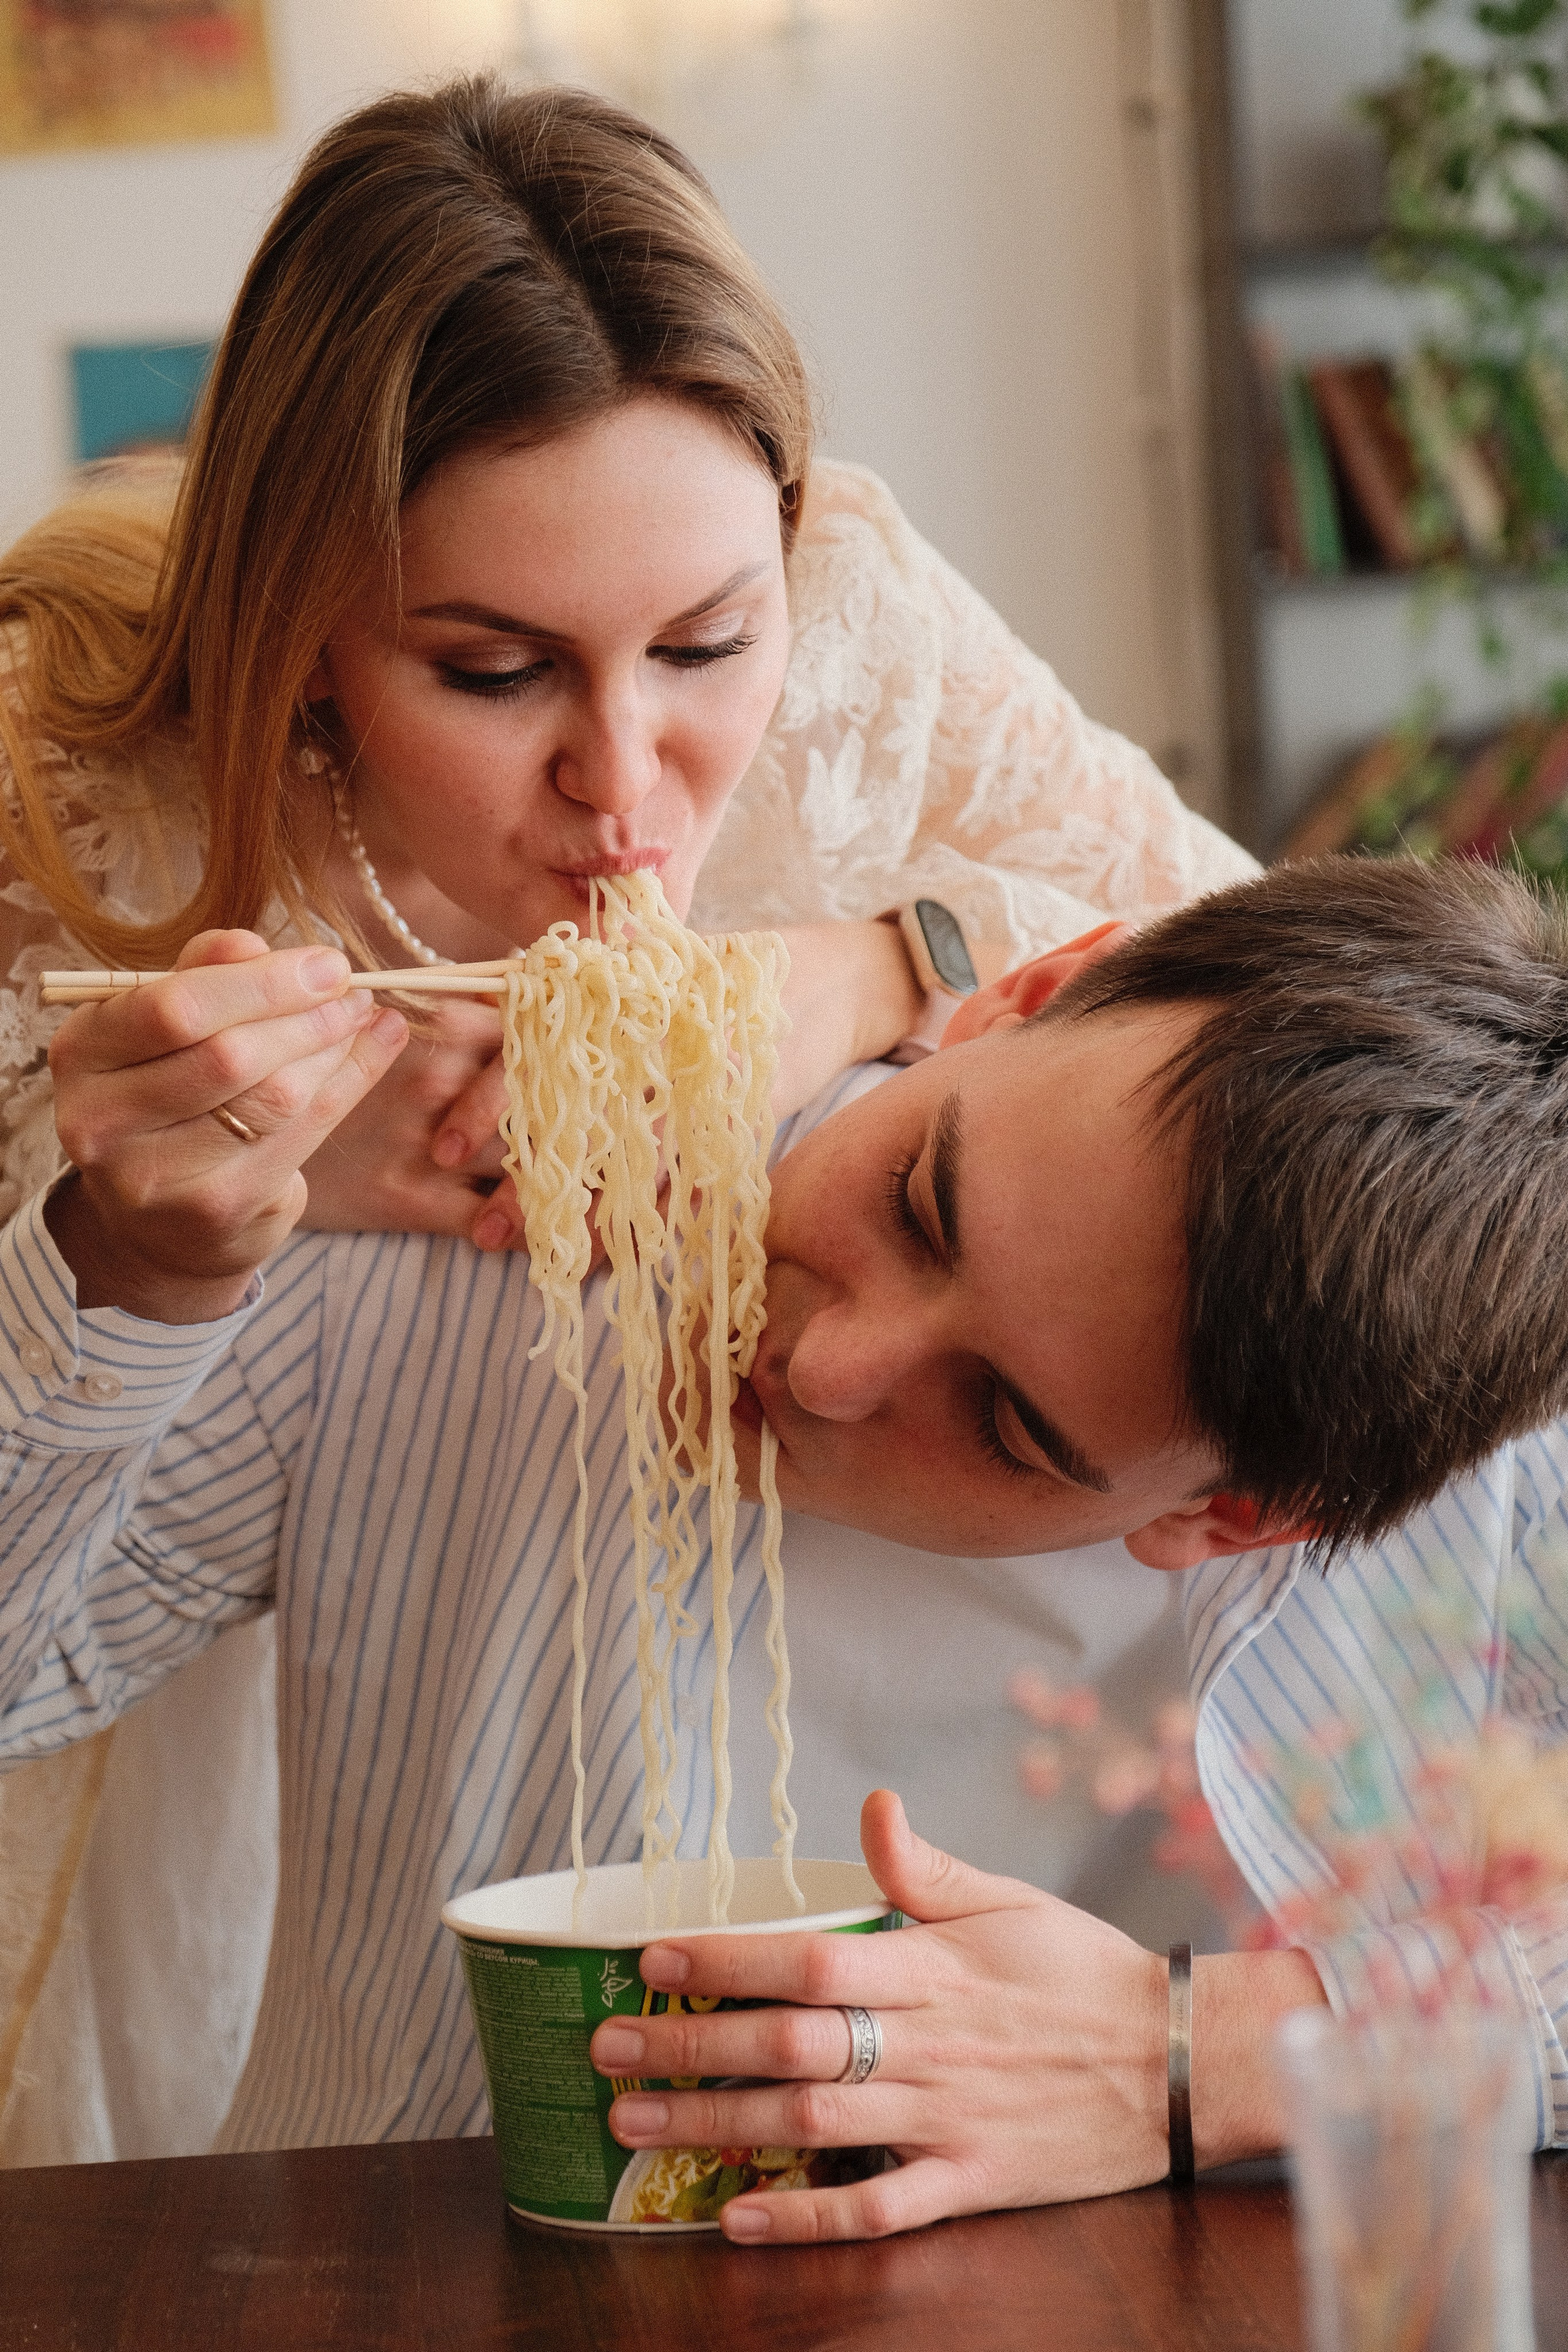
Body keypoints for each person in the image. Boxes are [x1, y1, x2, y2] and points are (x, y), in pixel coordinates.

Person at [0, 77, 1253, 2161]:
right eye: (491, 673)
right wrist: (134, 1249)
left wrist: (858, 969)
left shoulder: (858, 608)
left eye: (705, 645)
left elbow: (1260, 984)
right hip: (207, 1586)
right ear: (303, 638)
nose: (629, 784)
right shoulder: (68, 768)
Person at [6, 853, 1568, 2217]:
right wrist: (135, 1275)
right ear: (1025, 991)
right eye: (915, 1200)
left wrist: (1192, 2057)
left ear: (1224, 1515)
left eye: (1008, 1426)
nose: (825, 1362)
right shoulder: (495, 1201)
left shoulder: (1479, 1503)